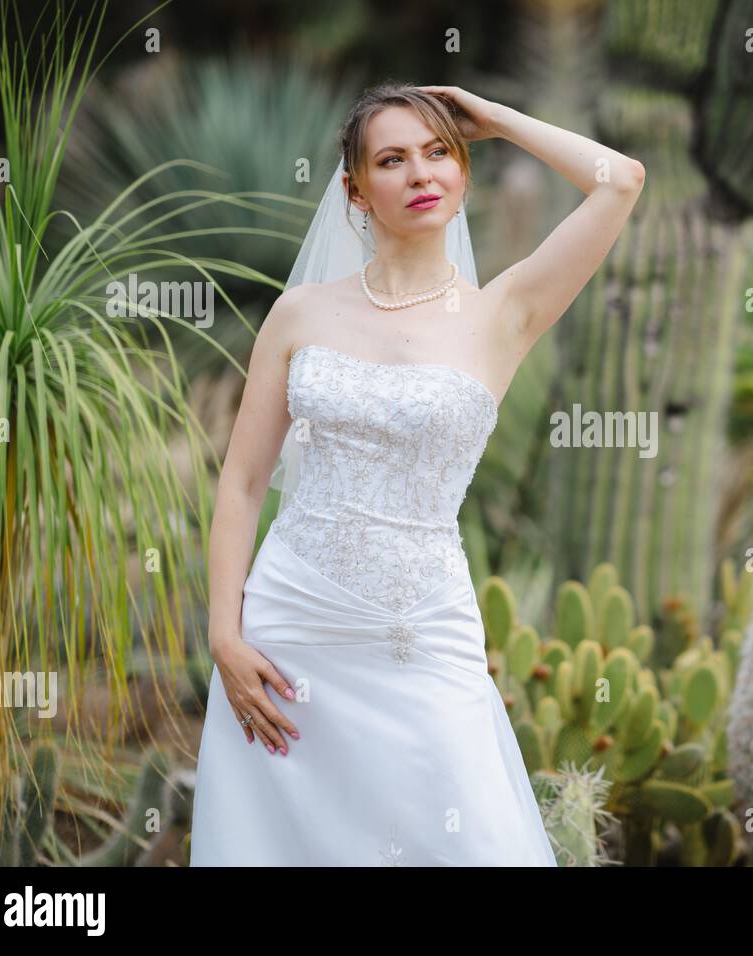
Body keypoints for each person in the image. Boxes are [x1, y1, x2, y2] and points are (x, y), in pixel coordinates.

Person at [189, 82, 645, 865]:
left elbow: (621, 180)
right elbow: (242, 482)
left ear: (466, 171)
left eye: (439, 153)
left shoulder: (502, 313)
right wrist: (223, 635)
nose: (420, 173)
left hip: (424, 628)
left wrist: (495, 117)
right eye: (392, 160)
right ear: (355, 190)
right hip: (292, 620)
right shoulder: (299, 313)